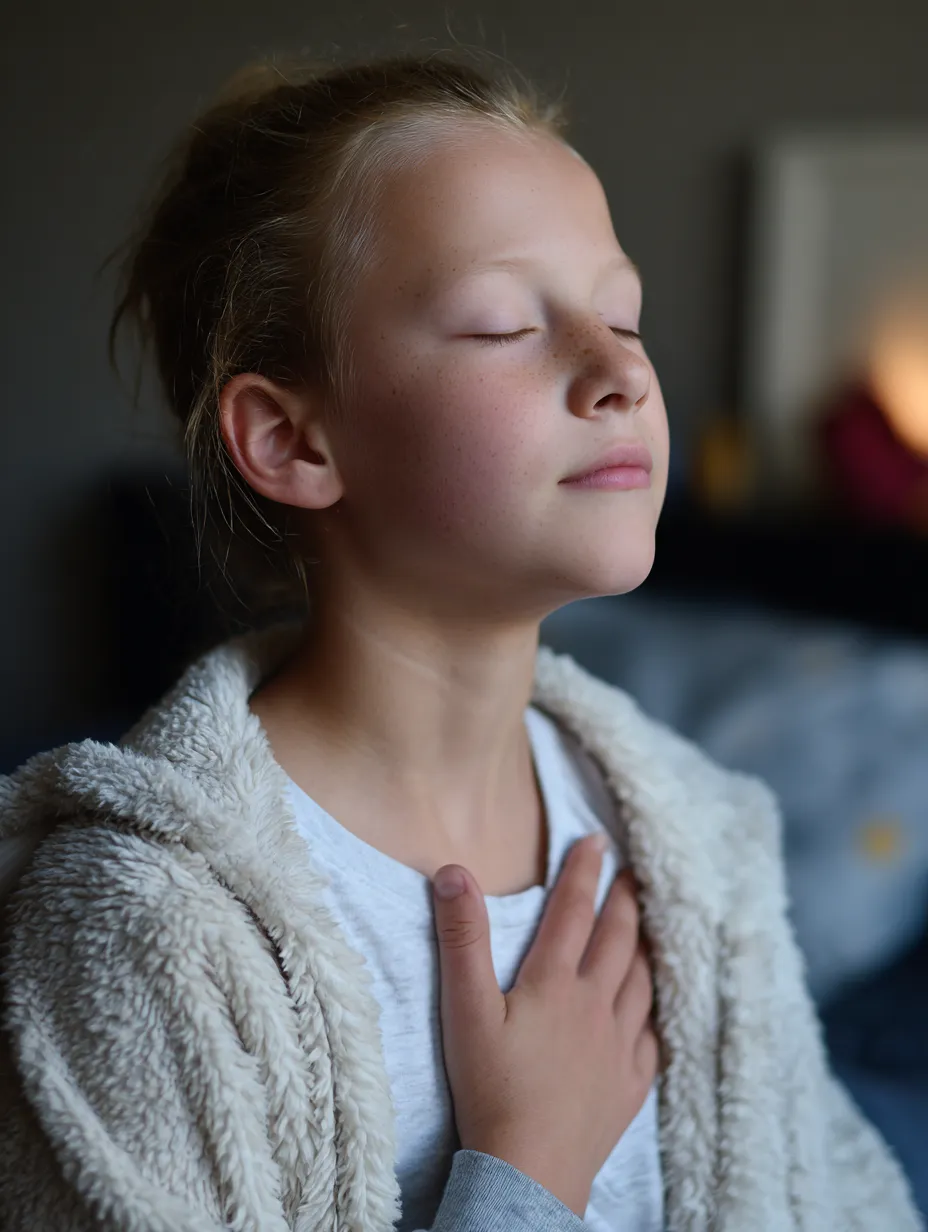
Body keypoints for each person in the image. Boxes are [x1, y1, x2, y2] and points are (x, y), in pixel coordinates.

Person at [0, 52, 920, 1232]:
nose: (620, 371)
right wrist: (524, 1170)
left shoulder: (697, 840)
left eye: (622, 312)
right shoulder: (145, 932)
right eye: (500, 324)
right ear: (290, 439)